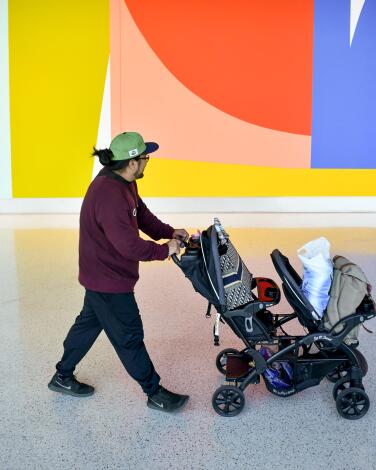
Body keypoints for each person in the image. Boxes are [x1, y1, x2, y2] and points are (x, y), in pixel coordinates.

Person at [48, 131, 189, 413]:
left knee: (87, 325)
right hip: (108, 280)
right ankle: (155, 393)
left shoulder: (123, 183)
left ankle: (62, 376)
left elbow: (141, 215)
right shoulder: (109, 194)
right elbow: (128, 245)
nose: (148, 161)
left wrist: (169, 232)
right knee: (129, 335)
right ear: (133, 162)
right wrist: (165, 250)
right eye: (146, 157)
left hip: (101, 274)